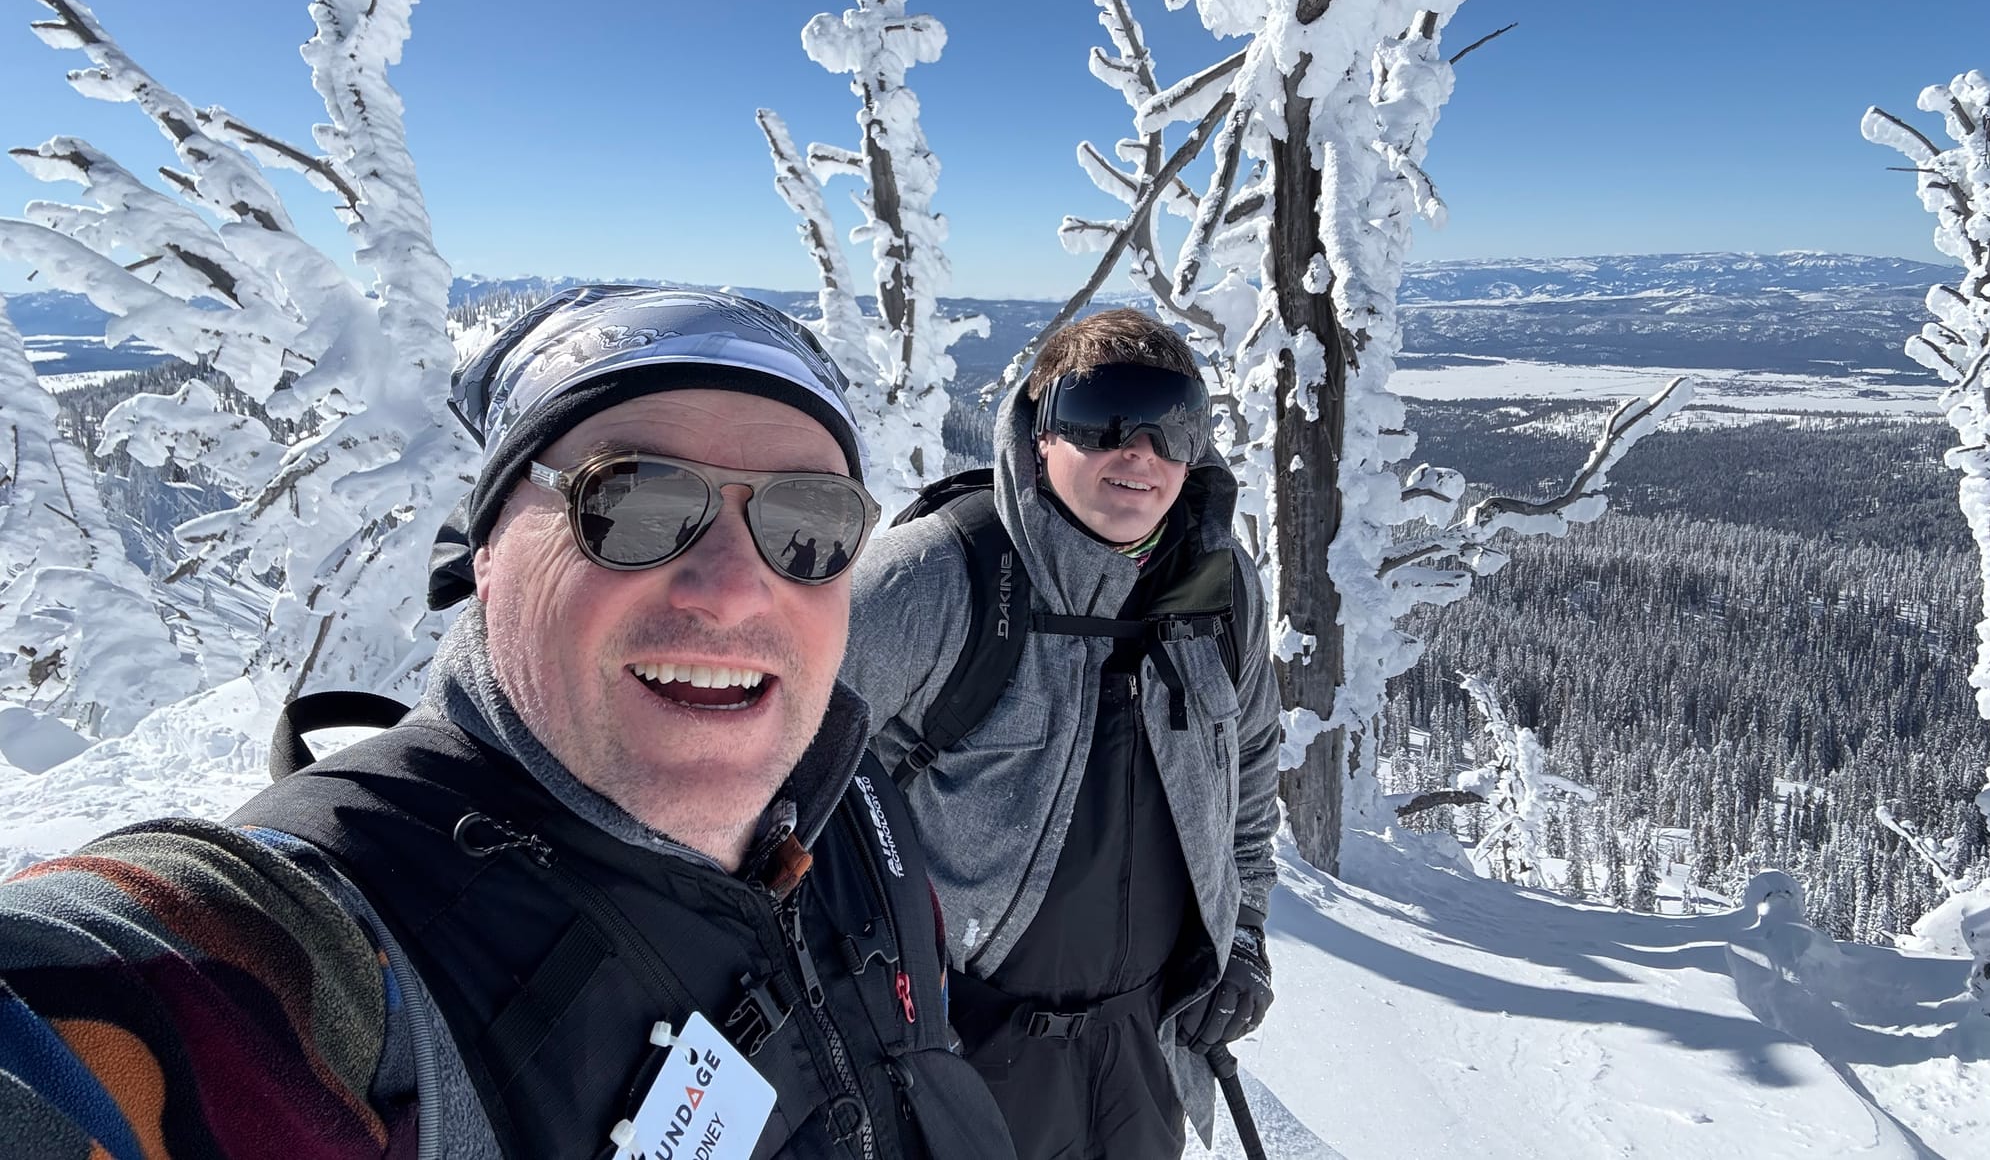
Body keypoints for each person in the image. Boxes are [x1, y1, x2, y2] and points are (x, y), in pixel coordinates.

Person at [0, 286, 1014, 1160]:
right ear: (486, 554)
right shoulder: (346, 935)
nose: (734, 589)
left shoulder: (844, 804)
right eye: (633, 504)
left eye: (810, 524)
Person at [843, 308, 1281, 1159]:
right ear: (1041, 433)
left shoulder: (1219, 590)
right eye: (1103, 417)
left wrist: (1247, 933)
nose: (1140, 453)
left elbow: (1252, 764)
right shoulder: (938, 576)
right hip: (957, 1047)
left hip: (1143, 1050)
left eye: (1174, 425)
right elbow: (771, 767)